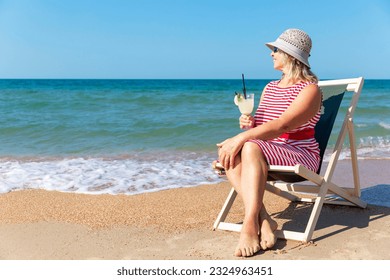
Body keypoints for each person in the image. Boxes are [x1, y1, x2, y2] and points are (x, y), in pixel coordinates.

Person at [216, 28, 322, 257]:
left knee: (246, 145)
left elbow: (283, 125)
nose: (271, 54)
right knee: (230, 150)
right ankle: (264, 219)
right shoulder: (271, 87)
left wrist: (241, 138)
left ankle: (249, 224)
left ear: (290, 55)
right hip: (269, 149)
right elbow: (261, 129)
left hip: (299, 152)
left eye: (275, 50)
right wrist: (249, 124)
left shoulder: (310, 90)